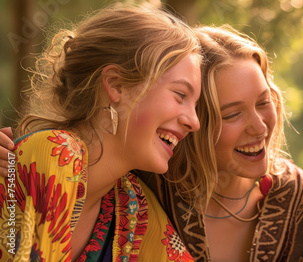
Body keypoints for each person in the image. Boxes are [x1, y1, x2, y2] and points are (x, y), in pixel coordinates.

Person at [0, 4, 205, 261]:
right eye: (180, 95)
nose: (194, 122)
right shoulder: (56, 150)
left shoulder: (133, 206)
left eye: (195, 105)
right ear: (116, 85)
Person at [142, 25, 303, 262]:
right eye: (232, 114)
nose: (259, 128)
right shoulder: (144, 194)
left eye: (263, 102)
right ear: (192, 121)